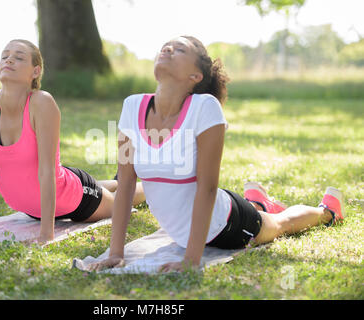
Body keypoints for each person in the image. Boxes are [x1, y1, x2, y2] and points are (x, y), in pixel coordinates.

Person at [88, 36, 344, 273]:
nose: (167, 49)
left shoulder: (205, 108)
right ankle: (259, 201)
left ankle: (327, 212)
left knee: (279, 225)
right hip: (180, 232)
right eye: (166, 46)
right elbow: (126, 185)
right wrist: (116, 252)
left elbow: (207, 188)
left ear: (195, 75)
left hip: (225, 224)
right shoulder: (131, 106)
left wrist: (191, 258)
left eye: (179, 49)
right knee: (270, 218)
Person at [0, 39, 145, 247]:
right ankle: (116, 180)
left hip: (71, 198)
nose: (9, 59)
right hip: (32, 208)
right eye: (5, 56)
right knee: (108, 185)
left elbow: (48, 171)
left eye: (19, 57)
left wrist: (47, 234)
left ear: (35, 71)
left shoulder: (41, 103)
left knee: (122, 201)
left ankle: (147, 184)